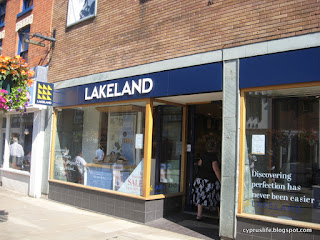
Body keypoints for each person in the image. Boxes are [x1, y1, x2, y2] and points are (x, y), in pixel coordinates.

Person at [192, 140, 221, 220]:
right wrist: (221, 181)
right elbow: (216, 169)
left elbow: (199, 164)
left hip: (200, 180)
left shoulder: (203, 155)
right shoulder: (213, 157)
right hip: (209, 181)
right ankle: (220, 216)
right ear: (214, 147)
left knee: (200, 198)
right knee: (217, 198)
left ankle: (199, 215)